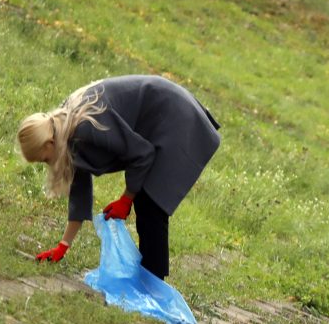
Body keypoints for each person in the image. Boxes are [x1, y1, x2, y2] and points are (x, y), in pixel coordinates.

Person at [18, 75, 221, 280]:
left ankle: (152, 283)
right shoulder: (63, 127)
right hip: (160, 114)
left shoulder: (85, 126)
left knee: (150, 201)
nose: (49, 165)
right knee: (144, 196)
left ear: (50, 143)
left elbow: (142, 154)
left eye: (45, 160)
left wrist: (126, 198)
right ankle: (149, 278)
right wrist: (63, 245)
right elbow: (80, 188)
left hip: (174, 115)